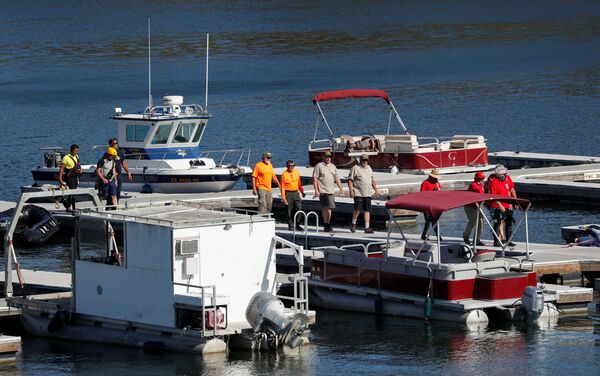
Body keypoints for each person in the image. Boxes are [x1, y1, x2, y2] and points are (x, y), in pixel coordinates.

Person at [312, 151, 344, 232]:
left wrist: (341, 189)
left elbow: (337, 178)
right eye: (326, 157)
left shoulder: (333, 166)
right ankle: (327, 224)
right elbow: (315, 178)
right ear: (323, 157)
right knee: (327, 208)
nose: (328, 158)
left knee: (329, 208)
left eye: (329, 157)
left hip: (331, 191)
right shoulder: (319, 166)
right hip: (323, 190)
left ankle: (327, 223)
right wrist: (316, 190)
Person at [348, 154, 380, 233]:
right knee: (357, 209)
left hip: (368, 192)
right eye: (363, 160)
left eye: (366, 160)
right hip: (358, 192)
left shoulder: (369, 168)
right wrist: (351, 191)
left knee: (367, 210)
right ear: (360, 160)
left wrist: (376, 190)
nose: (365, 162)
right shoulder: (355, 168)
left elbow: (372, 180)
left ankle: (367, 227)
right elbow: (350, 180)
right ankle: (353, 223)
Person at [487, 164, 518, 247]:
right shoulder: (493, 181)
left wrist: (515, 201)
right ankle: (496, 241)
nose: (502, 175)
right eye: (500, 174)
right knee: (498, 222)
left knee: (509, 222)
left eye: (503, 174)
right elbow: (493, 196)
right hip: (496, 205)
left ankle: (509, 240)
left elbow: (511, 189)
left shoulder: (508, 178)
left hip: (507, 204)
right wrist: (500, 205)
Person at [281, 160, 306, 231]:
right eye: (289, 166)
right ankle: (290, 225)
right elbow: (282, 187)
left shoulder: (296, 172)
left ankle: (297, 224)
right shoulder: (284, 174)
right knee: (289, 210)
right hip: (288, 193)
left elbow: (299, 184)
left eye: (293, 166)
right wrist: (283, 197)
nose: (291, 167)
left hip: (296, 192)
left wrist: (302, 192)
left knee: (299, 208)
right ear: (287, 166)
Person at [463, 171, 486, 246]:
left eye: (482, 178)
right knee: (473, 221)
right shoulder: (474, 185)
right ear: (476, 178)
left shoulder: (481, 185)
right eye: (480, 178)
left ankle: (477, 239)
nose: (481, 180)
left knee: (481, 222)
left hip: (478, 206)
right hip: (470, 206)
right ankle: (466, 236)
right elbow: (478, 196)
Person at [58, 144, 81, 211]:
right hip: (69, 177)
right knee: (73, 193)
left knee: (72, 193)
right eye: (75, 151)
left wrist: (80, 169)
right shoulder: (66, 158)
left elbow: (78, 164)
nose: (76, 152)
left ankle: (67, 205)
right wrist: (60, 179)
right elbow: (61, 169)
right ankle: (72, 208)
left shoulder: (76, 156)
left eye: (77, 151)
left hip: (75, 177)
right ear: (71, 150)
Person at [420, 168, 442, 240]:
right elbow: (422, 194)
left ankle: (437, 236)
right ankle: (425, 235)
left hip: (435, 203)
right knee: (428, 220)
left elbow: (440, 191)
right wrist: (432, 191)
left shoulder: (437, 183)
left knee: (434, 221)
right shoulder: (425, 183)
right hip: (426, 204)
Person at [108, 138, 132, 203]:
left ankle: (116, 205)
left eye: (116, 143)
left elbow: (123, 163)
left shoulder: (120, 153)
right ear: (110, 144)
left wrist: (128, 172)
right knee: (112, 192)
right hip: (111, 175)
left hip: (119, 174)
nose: (115, 144)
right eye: (114, 143)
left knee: (118, 191)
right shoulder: (108, 153)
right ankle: (110, 206)